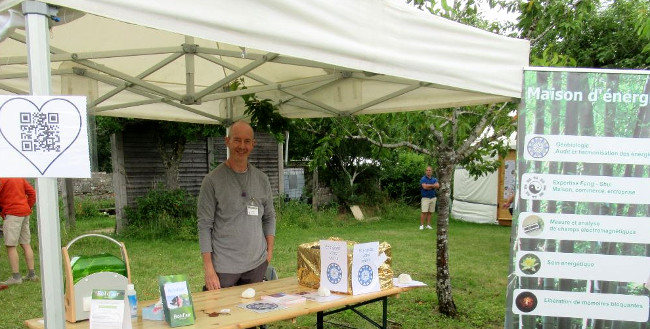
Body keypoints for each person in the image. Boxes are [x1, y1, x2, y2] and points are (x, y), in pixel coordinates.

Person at [197, 121, 276, 291]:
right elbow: (204, 226)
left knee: (254, 314)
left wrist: (269, 252)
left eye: (247, 141)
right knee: (221, 315)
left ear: (253, 144)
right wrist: (209, 269)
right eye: (237, 140)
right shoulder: (212, 181)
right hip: (224, 268)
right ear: (227, 141)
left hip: (257, 265)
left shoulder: (262, 179)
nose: (242, 146)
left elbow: (269, 217)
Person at [0, 178, 37, 285]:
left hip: (12, 213)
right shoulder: (19, 177)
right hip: (24, 212)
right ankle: (32, 274)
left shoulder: (3, 178)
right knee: (25, 243)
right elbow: (32, 193)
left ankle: (16, 277)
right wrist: (27, 206)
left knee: (11, 245)